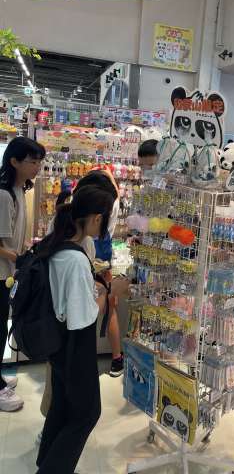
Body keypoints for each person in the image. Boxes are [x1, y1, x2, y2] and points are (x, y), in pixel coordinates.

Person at [36, 184, 115, 474]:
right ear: (96, 218)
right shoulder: (76, 259)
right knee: (86, 413)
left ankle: (46, 462)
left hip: (56, 342)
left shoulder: (55, 244)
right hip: (75, 346)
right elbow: (84, 317)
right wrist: (107, 294)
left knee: (61, 406)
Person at [0, 136, 45, 412]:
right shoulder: (4, 195)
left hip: (8, 273)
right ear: (15, 161)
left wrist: (26, 248)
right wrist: (19, 258)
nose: (37, 167)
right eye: (32, 161)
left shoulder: (19, 191)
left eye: (40, 161)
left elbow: (14, 237)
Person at [75, 170, 124, 377]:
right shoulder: (78, 252)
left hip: (66, 349)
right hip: (72, 351)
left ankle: (116, 357)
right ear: (97, 218)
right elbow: (84, 311)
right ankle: (116, 358)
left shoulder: (73, 236)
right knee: (108, 306)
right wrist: (107, 291)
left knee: (108, 306)